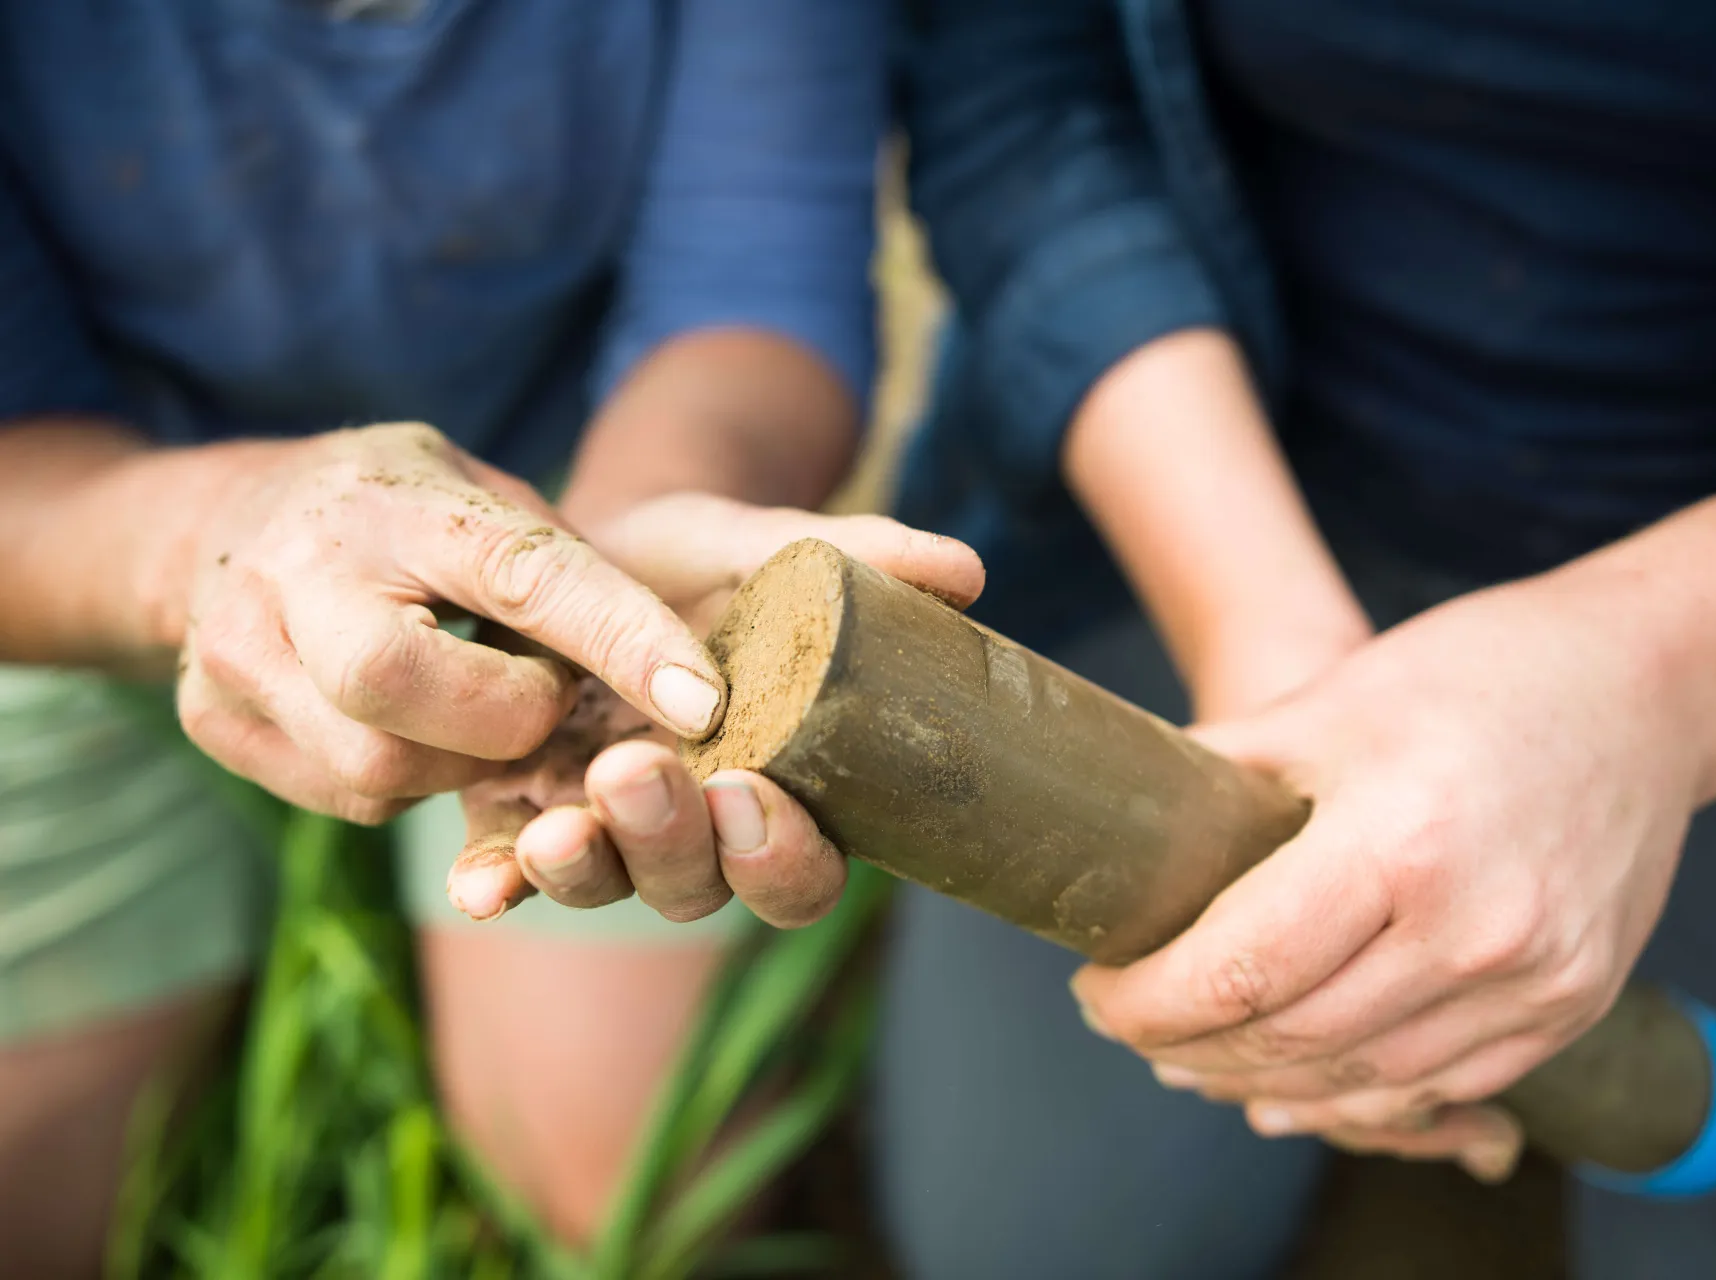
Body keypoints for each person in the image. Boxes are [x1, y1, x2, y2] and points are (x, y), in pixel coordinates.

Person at [870, 1, 1716, 1277]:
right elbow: (1017, 74)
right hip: (1223, 477)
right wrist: (1262, 625)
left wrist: (1665, 678)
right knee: (1037, 1243)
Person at [0, 2, 984, 1272]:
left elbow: (751, 293)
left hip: (575, 481)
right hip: (104, 518)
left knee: (630, 1203)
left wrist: (606, 555)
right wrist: (208, 543)